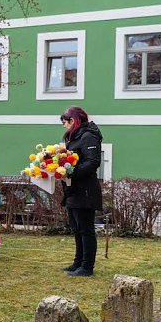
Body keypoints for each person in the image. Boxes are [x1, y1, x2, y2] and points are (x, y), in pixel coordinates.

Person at [60, 106, 103, 277]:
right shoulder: (75, 138)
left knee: (86, 229)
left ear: (73, 121)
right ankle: (78, 262)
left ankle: (87, 266)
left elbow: (93, 162)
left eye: (65, 122)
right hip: (73, 190)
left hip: (85, 190)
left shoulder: (88, 137)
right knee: (76, 228)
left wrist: (72, 172)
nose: (64, 126)